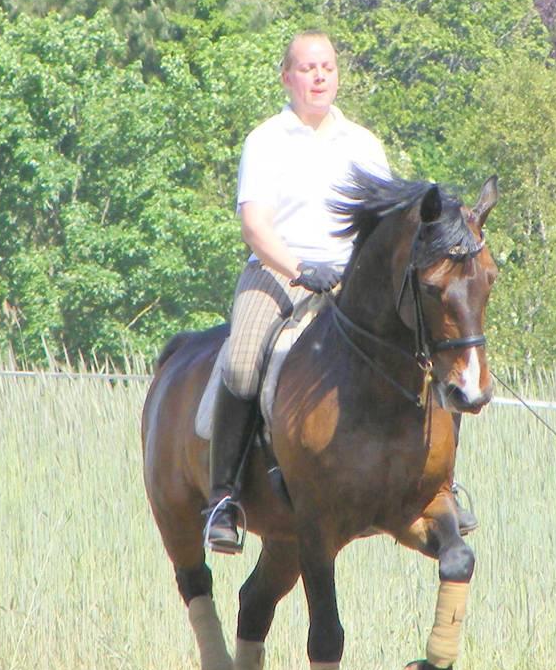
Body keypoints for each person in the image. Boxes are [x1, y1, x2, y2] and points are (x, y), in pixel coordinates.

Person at [204, 30, 476, 554]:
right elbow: (255, 227)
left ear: (338, 74)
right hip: (277, 272)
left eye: (326, 66)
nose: (319, 76)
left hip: (354, 283)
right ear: (287, 78)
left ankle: (439, 484)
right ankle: (223, 498)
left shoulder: (363, 144)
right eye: (307, 68)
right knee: (240, 364)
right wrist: (301, 267)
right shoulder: (266, 140)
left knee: (432, 348)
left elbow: (391, 227)